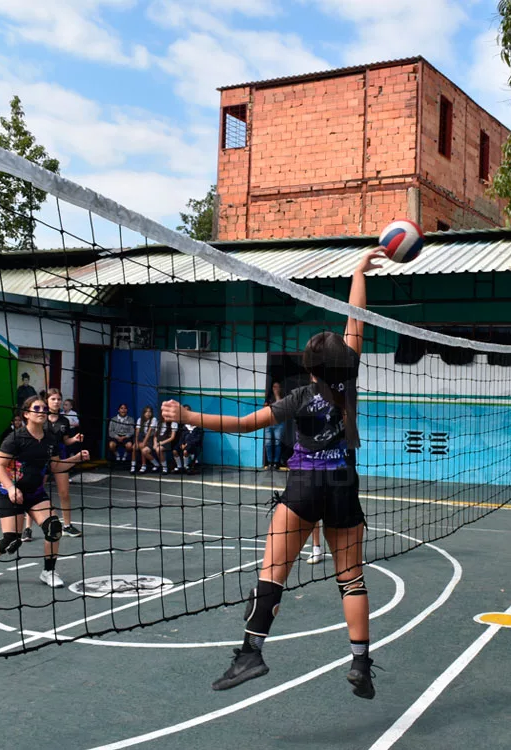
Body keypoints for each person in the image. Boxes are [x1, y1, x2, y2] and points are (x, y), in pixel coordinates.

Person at [160, 247, 382, 699]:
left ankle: (250, 653)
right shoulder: (350, 380)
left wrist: (188, 414)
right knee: (352, 578)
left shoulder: (298, 397)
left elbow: (244, 424)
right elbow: (355, 318)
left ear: (309, 366)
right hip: (344, 486)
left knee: (273, 571)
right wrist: (359, 272)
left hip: (302, 486)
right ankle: (360, 662)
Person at [0, 395, 90, 588]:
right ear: (26, 414)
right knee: (11, 542)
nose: (42, 411)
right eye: (37, 408)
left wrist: (76, 458)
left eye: (44, 408)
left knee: (54, 528)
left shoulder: (50, 439)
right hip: (12, 495)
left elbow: (56, 467)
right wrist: (10, 487)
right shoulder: (15, 438)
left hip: (35, 493)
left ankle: (48, 571)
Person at [39, 389, 84, 538]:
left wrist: (75, 439)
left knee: (64, 493)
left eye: (59, 399)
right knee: (35, 492)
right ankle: (27, 528)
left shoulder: (64, 420)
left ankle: (67, 525)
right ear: (47, 401)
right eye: (53, 399)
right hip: (40, 458)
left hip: (59, 457)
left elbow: (66, 440)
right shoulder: (40, 417)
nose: (57, 402)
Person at [262, 381, 286, 470]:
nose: (275, 389)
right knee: (268, 443)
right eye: (273, 387)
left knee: (277, 443)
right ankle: (269, 462)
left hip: (279, 424)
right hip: (268, 423)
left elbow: (280, 408)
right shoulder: (268, 397)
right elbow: (264, 408)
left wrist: (277, 396)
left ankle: (276, 462)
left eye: (277, 387)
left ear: (280, 388)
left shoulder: (283, 397)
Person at [151, 406, 178, 474]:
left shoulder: (173, 423)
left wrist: (161, 443)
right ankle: (161, 465)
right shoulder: (159, 423)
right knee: (156, 449)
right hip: (158, 441)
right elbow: (155, 436)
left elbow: (172, 437)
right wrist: (155, 443)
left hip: (168, 442)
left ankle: (164, 468)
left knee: (158, 449)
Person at [134, 406, 156, 473]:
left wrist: (144, 442)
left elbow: (149, 432)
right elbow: (137, 432)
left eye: (150, 412)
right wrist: (136, 442)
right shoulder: (140, 420)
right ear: (143, 413)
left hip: (150, 438)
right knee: (134, 447)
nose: (148, 413)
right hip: (141, 437)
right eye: (146, 412)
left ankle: (144, 465)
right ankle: (133, 466)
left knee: (143, 448)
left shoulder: (153, 419)